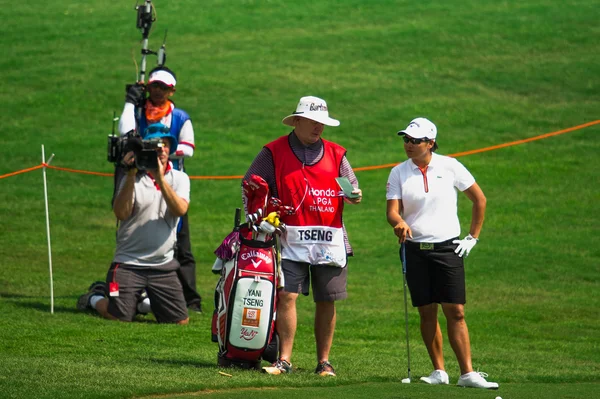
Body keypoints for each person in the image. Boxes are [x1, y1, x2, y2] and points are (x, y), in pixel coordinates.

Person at [243, 96, 362, 376]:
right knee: (287, 296)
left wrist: (354, 195)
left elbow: (352, 188)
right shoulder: (272, 152)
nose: (318, 128)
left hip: (329, 240)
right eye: (313, 122)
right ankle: (284, 361)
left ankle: (324, 362)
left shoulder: (337, 154)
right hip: (288, 239)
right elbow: (250, 186)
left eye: (322, 123)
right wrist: (261, 217)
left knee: (327, 299)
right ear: (297, 121)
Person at [385, 117, 498, 389]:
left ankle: (467, 373)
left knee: (455, 310)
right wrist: (398, 222)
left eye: (415, 141)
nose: (408, 145)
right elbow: (392, 211)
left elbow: (479, 200)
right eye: (406, 140)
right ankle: (439, 371)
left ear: (430, 143)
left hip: (448, 248)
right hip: (415, 249)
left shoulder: (449, 166)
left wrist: (472, 237)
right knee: (426, 312)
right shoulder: (398, 172)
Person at [77, 126, 190, 324]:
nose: (161, 150)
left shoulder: (179, 178)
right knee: (117, 315)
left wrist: (160, 179)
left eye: (165, 145)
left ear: (170, 149)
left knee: (180, 321)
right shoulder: (132, 177)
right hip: (128, 264)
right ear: (145, 150)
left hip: (162, 265)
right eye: (155, 146)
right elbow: (121, 212)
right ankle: (94, 298)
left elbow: (180, 209)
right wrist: (129, 175)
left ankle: (140, 303)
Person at [118, 66, 202, 313]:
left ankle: (190, 299)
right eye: (154, 86)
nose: (158, 92)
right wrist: (129, 103)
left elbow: (188, 148)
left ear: (171, 90)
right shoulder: (138, 112)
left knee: (181, 239)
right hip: (139, 177)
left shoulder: (179, 117)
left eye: (163, 88)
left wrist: (158, 154)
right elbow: (124, 133)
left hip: (170, 180)